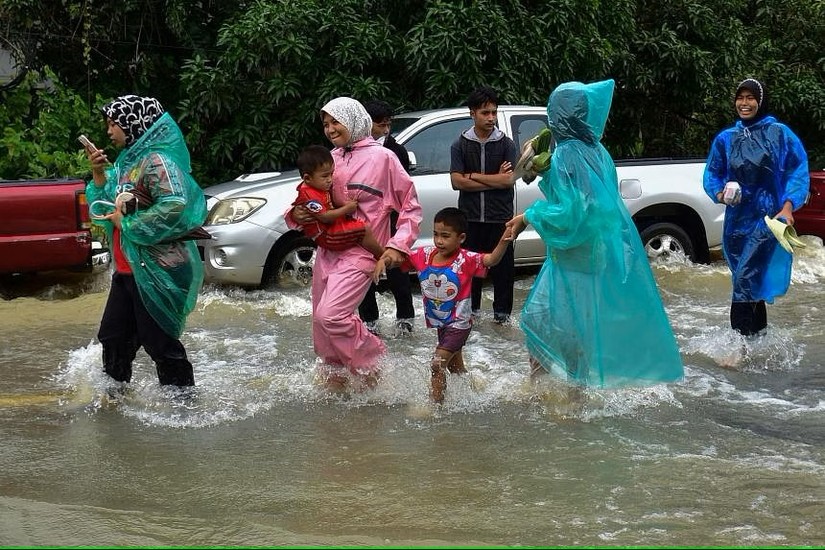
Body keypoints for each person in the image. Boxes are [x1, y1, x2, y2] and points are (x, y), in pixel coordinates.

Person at [506, 79, 683, 388]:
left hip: (575, 257)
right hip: (588, 255)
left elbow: (574, 212)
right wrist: (543, 172)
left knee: (550, 324)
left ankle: (558, 394)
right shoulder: (596, 151)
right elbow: (587, 201)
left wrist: (528, 216)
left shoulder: (568, 154)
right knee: (561, 323)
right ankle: (566, 392)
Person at [285, 97, 422, 391]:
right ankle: (340, 391)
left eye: (336, 121)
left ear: (355, 120)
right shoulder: (329, 159)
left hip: (361, 252)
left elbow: (410, 205)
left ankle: (375, 365)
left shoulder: (384, 158)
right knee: (321, 325)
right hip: (328, 250)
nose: (330, 129)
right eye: (326, 124)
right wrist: (295, 216)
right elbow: (311, 201)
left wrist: (397, 245)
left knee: (331, 315)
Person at [83, 95, 207, 391]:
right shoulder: (130, 163)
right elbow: (106, 200)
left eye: (114, 123)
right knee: (113, 337)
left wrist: (126, 223)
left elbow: (175, 205)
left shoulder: (156, 162)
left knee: (159, 342)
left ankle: (183, 409)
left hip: (158, 267)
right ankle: (114, 403)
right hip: (128, 269)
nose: (109, 131)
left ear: (134, 123)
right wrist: (98, 172)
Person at [703, 77, 809, 337]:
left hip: (769, 218)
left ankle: (738, 347)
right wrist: (720, 193)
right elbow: (712, 173)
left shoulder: (779, 133)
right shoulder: (726, 138)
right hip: (736, 222)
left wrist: (787, 208)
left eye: (750, 97)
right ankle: (758, 341)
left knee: (745, 278)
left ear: (760, 101)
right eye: (740, 97)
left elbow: (798, 170)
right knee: (747, 277)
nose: (744, 103)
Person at [373, 207, 511, 403]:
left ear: (461, 238)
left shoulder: (466, 259)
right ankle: (475, 394)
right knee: (455, 369)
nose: (439, 240)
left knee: (437, 364)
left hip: (459, 324)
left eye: (445, 236)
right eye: (436, 234)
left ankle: (435, 408)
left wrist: (505, 238)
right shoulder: (424, 255)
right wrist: (384, 260)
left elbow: (491, 259)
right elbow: (398, 259)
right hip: (441, 324)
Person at [450, 86, 518, 325]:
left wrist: (473, 176)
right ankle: (471, 318)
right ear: (472, 113)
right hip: (470, 218)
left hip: (500, 218)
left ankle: (502, 319)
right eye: (485, 113)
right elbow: (456, 182)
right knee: (470, 271)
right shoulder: (460, 144)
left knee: (503, 271)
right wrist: (494, 179)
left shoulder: (506, 144)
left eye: (493, 113)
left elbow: (509, 179)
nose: (490, 118)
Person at [358, 99, 416, 336]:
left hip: (390, 221)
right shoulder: (354, 149)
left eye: (387, 124)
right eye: (380, 125)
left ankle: (406, 322)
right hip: (364, 224)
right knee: (364, 275)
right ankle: (369, 324)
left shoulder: (395, 151)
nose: (385, 129)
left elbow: (402, 192)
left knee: (397, 273)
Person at [292, 144, 384, 259]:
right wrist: (346, 209)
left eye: (331, 174)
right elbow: (325, 216)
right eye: (325, 176)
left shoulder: (316, 187)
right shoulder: (309, 196)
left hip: (331, 229)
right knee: (364, 229)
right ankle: (383, 256)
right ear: (307, 178)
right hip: (326, 236)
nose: (330, 179)